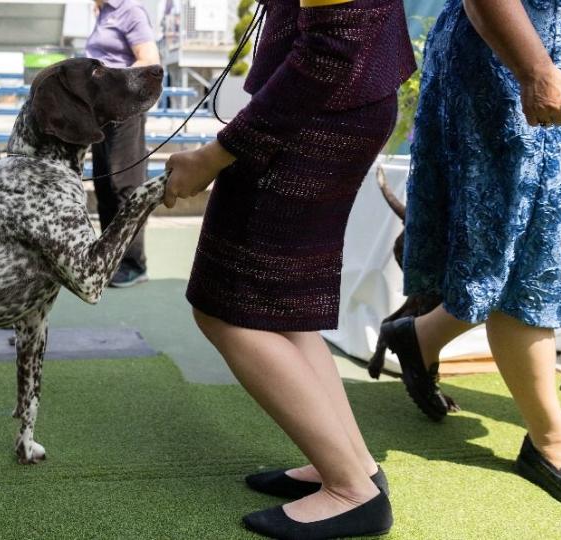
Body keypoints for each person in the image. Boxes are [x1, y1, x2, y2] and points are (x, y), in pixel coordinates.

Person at [164, 0, 415, 537]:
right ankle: (351, 466)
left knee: (225, 307)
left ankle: (350, 490)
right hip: (339, 105)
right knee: (283, 313)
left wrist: (215, 156)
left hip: (318, 112)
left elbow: (330, 49)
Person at [384, 0, 561, 521]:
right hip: (521, 56)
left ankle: (418, 337)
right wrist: (533, 70)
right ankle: (551, 444)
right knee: (532, 253)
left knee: (559, 249)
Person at [86, 0, 160, 287]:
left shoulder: (130, 10)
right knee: (105, 184)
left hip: (125, 109)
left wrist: (113, 86)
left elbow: (149, 59)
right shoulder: (104, 12)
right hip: (102, 112)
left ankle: (133, 263)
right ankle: (110, 257)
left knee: (125, 186)